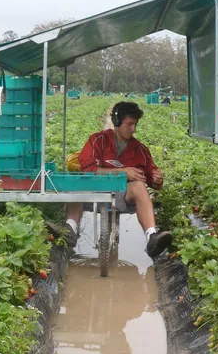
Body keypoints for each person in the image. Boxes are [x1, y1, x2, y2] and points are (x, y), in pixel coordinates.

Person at [64, 101, 172, 258]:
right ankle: (70, 229)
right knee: (76, 182)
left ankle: (152, 236)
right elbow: (88, 170)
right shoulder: (97, 141)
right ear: (116, 121)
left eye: (135, 124)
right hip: (92, 192)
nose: (133, 129)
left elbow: (151, 177)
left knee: (139, 186)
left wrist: (156, 179)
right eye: (129, 124)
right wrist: (122, 172)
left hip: (121, 196)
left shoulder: (140, 150)